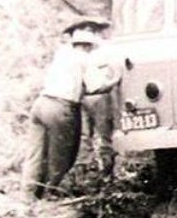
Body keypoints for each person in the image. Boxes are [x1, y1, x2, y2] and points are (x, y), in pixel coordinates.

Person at [21, 25, 121, 201]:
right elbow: (94, 86)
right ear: (88, 46)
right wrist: (114, 80)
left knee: (35, 152)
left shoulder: (61, 55)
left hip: (41, 103)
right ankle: (50, 193)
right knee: (62, 155)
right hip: (61, 107)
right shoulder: (84, 59)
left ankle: (28, 195)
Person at [68, 18, 118, 177]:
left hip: (96, 95)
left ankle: (102, 172)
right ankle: (89, 173)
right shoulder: (83, 51)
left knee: (99, 136)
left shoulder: (105, 48)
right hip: (88, 95)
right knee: (86, 136)